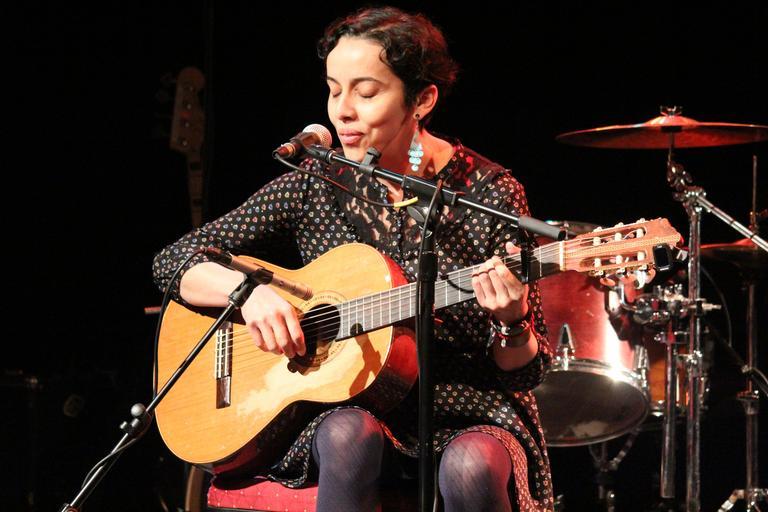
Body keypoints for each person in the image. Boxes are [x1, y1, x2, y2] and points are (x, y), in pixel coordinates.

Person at [153, 6, 553, 511]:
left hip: (465, 407)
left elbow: (523, 374)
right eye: (333, 89)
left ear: (422, 100)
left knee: (471, 465)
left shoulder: (489, 193)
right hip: (346, 402)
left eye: (365, 93)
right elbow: (174, 259)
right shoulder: (317, 184)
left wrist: (512, 320)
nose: (341, 111)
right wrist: (248, 294)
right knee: (348, 435)